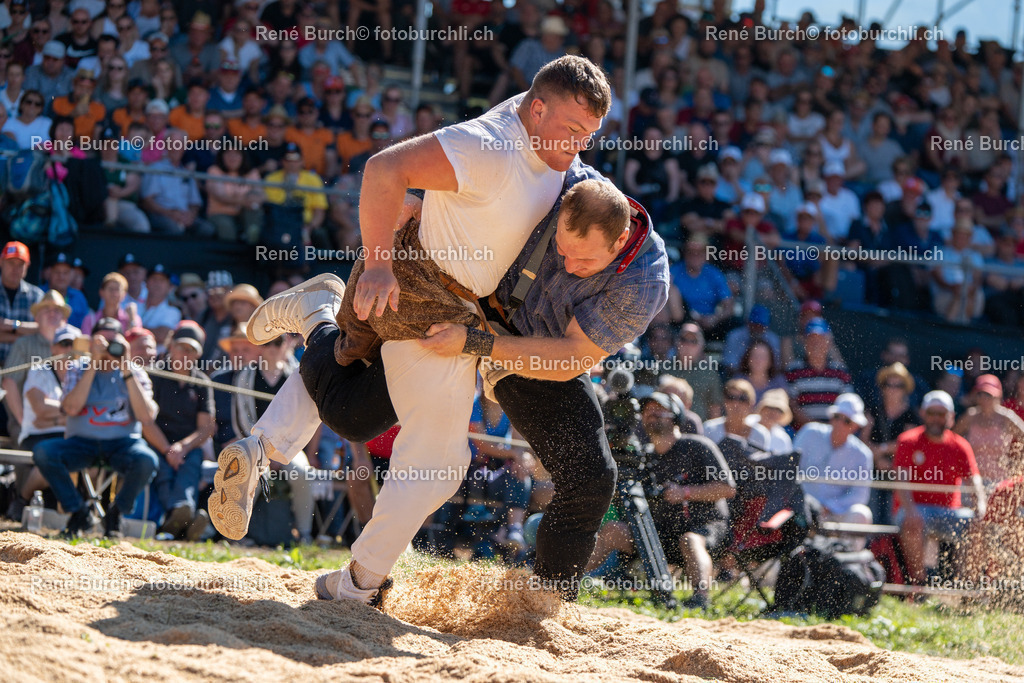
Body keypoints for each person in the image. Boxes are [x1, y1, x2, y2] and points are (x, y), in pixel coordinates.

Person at [213, 59, 665, 606]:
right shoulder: (500, 147)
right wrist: (381, 257)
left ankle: (309, 342)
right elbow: (388, 169)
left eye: (588, 136)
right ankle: (355, 575)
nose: (578, 146)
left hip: (476, 319)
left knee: (401, 435)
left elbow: (570, 354)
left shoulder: (569, 172)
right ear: (538, 108)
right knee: (389, 431)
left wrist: (473, 335)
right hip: (421, 286)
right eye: (572, 131)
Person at [587, 392, 735, 610]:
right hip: (657, 535)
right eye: (647, 412)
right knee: (612, 530)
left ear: (675, 416)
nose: (651, 415)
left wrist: (684, 493)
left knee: (690, 540)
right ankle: (564, 580)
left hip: (704, 529)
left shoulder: (697, 446)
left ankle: (700, 600)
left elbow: (727, 488)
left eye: (659, 410)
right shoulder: (643, 455)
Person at [33, 317, 160, 538]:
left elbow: (146, 416)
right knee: (44, 452)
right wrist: (94, 363)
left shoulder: (135, 371)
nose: (109, 347)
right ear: (92, 343)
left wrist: (125, 368)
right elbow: (71, 408)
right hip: (81, 443)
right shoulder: (77, 368)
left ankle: (116, 514)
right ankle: (78, 512)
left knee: (147, 460)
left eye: (114, 341)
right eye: (103, 341)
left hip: (123, 445)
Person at [894, 390, 987, 585]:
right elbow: (901, 482)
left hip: (949, 513)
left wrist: (981, 509)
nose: (936, 418)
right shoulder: (908, 440)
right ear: (923, 414)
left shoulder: (960, 445)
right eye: (931, 413)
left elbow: (975, 481)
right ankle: (919, 585)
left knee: (980, 525)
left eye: (941, 414)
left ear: (951, 417)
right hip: (915, 509)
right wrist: (910, 511)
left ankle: (967, 589)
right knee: (913, 522)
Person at [145, 324, 214, 540]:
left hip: (188, 446)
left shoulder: (202, 382)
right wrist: (167, 449)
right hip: (156, 442)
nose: (186, 354)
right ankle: (186, 518)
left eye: (191, 350)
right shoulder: (154, 375)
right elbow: (146, 421)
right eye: (182, 347)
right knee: (163, 469)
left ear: (198, 354)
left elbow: (206, 427)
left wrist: (182, 447)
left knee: (192, 462)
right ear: (171, 347)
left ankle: (176, 518)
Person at [4, 325, 78, 523]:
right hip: (37, 436)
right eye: (65, 344)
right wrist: (73, 411)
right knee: (53, 458)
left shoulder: (82, 375)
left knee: (89, 459)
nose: (70, 349)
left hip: (68, 435)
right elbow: (40, 410)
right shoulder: (39, 370)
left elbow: (49, 413)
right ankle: (22, 499)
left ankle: (78, 514)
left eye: (74, 344)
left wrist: (58, 415)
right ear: (53, 348)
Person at [794, 393, 874, 546]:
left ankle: (851, 565)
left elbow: (860, 494)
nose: (839, 423)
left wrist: (830, 506)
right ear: (831, 417)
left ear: (855, 426)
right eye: (837, 416)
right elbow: (791, 470)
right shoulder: (809, 433)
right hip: (803, 508)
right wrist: (807, 503)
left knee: (861, 514)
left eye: (847, 420)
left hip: (837, 513)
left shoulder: (863, 454)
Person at [2, 289, 70, 439]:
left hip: (69, 424)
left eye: (57, 310)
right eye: (46, 309)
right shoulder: (24, 344)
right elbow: (9, 382)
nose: (52, 314)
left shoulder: (76, 340)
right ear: (36, 318)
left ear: (64, 318)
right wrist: (23, 421)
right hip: (33, 427)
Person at [954, 374, 1024, 484]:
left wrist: (1017, 465)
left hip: (999, 481)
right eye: (981, 394)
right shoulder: (970, 416)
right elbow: (952, 440)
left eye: (988, 395)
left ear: (998, 396)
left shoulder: (1007, 418)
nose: (984, 398)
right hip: (971, 480)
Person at [785, 317, 853, 428]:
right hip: (802, 434)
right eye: (811, 339)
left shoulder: (840, 372)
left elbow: (847, 404)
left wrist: (831, 429)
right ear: (804, 343)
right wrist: (816, 429)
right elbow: (792, 405)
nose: (816, 344)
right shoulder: (793, 370)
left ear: (829, 343)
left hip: (834, 435)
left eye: (821, 339)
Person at [0, 241, 44, 366]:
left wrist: (10, 325)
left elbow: (42, 329)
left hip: (24, 369)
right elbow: (33, 332)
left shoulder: (36, 296)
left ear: (28, 266)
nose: (15, 269)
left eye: (20, 264)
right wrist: (22, 336)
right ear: (1, 262)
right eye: (11, 263)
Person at [703, 378, 771, 451]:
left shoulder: (760, 435)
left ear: (751, 404)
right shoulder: (709, 429)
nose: (735, 404)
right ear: (724, 402)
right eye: (731, 397)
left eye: (742, 399)